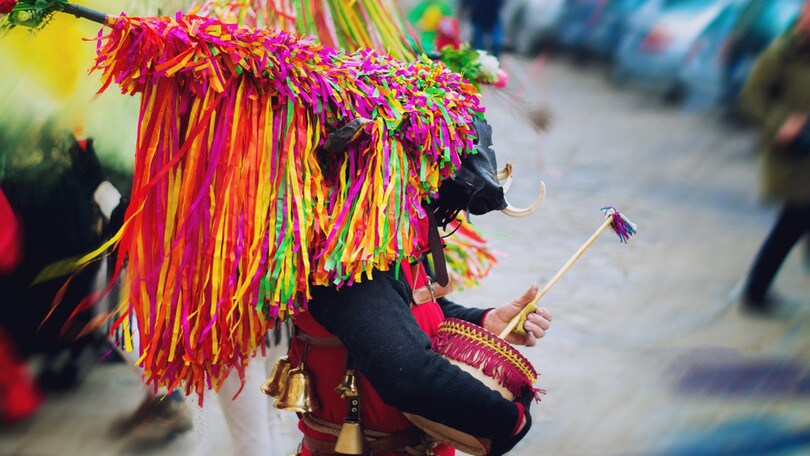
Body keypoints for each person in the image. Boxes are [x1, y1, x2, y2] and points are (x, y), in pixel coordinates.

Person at [285, 119, 553, 456]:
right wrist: (510, 420)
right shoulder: (345, 264)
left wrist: (487, 321)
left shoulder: (383, 242)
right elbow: (410, 377)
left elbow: (410, 312)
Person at [739, 0, 810, 313]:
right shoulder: (779, 55)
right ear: (802, 16)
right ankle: (754, 295)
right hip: (793, 159)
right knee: (791, 225)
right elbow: (752, 98)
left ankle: (755, 294)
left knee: (793, 226)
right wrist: (781, 122)